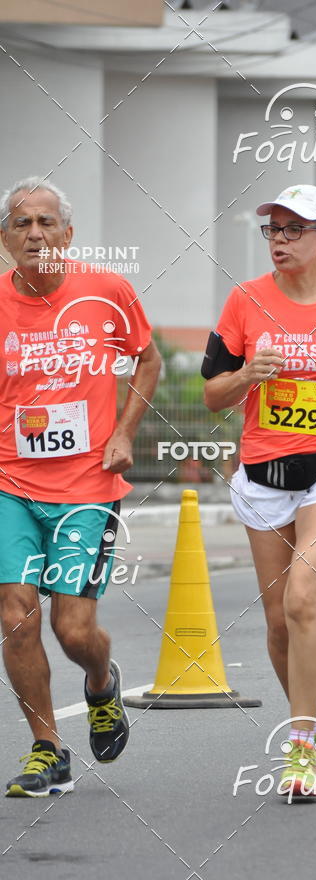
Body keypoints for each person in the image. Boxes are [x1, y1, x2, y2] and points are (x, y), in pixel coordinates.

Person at [203, 185, 316, 797]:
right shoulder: (245, 300)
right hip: (263, 473)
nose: (280, 240)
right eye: (273, 229)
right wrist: (245, 377)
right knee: (280, 622)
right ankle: (307, 722)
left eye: (294, 229)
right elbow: (212, 393)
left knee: (305, 598)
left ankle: (301, 749)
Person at [0, 177, 161, 797]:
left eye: (46, 222)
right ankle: (47, 749)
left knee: (72, 630)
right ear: (7, 239)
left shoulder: (106, 292)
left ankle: (100, 681)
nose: (34, 233)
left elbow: (147, 358)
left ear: (68, 233)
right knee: (16, 619)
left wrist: (124, 433)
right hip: (10, 481)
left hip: (85, 488)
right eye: (21, 223)